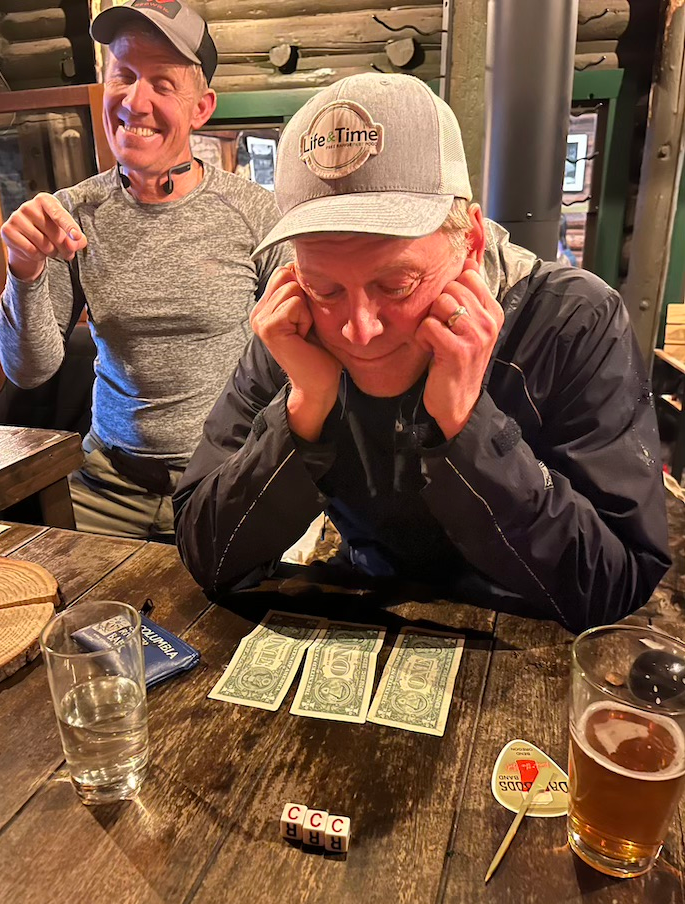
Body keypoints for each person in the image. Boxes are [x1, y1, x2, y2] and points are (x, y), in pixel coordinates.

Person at [173, 73, 671, 633]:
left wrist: (467, 424)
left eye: (397, 284)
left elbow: (616, 583)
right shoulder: (294, 326)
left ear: (471, 244)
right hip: (366, 611)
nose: (359, 330)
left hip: (528, 636)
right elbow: (206, 554)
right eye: (326, 287)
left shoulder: (572, 319)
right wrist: (305, 405)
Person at [0, 0, 290, 539]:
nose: (135, 100)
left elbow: (301, 345)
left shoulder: (255, 211)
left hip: (224, 481)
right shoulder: (71, 212)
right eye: (123, 75)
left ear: (201, 108)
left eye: (162, 83)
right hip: (106, 484)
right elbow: (29, 372)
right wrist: (24, 270)